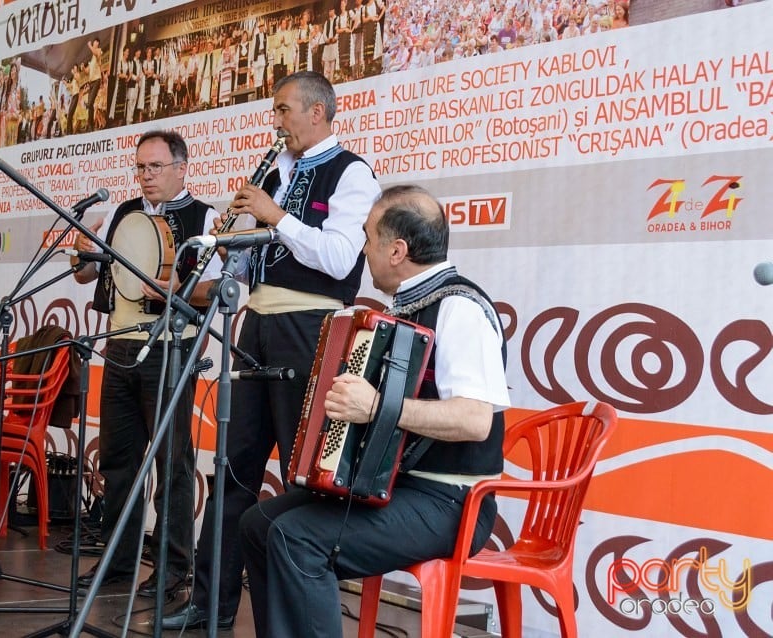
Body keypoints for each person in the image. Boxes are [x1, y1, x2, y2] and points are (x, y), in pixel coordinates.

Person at [160, 70, 380, 631]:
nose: (276, 122)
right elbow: (251, 258)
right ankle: (210, 605)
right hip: (254, 323)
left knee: (300, 475)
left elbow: (337, 259)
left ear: (318, 112)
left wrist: (275, 215)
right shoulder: (276, 173)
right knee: (233, 470)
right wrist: (224, 246)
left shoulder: (352, 173)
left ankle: (296, 613)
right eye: (275, 111)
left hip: (311, 328)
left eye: (284, 110)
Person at [239, 184, 510, 637]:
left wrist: (376, 406)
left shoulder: (459, 308)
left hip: (450, 502)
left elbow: (475, 420)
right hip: (397, 487)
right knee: (258, 523)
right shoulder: (408, 305)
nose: (363, 250)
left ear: (397, 250)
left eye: (367, 238)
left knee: (298, 538)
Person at [72, 130, 222, 597]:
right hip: (120, 346)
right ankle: (117, 565)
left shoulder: (206, 217)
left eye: (155, 167)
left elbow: (218, 289)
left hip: (170, 348)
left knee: (171, 462)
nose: (145, 176)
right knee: (118, 462)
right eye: (140, 167)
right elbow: (90, 275)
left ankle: (174, 569)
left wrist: (176, 289)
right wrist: (82, 253)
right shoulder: (124, 214)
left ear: (181, 167)